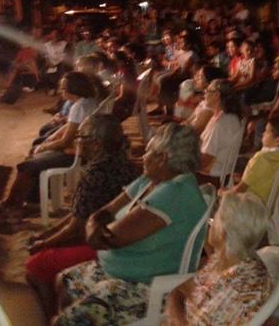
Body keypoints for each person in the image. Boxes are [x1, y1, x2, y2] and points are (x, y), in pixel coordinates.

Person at [53, 123, 208, 325]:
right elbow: (106, 211)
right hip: (117, 272)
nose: (142, 157)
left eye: (148, 152)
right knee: (63, 280)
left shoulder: (174, 194)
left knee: (66, 321)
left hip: (142, 286)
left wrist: (94, 228)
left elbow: (111, 239)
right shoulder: (150, 180)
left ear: (162, 159)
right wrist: (95, 225)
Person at [25, 115, 137, 316]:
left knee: (35, 265)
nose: (77, 141)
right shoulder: (124, 163)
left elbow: (75, 227)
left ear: (95, 143)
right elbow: (78, 214)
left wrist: (44, 243)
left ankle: (50, 317)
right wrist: (48, 234)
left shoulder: (96, 174)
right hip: (116, 235)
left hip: (101, 244)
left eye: (80, 136)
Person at [0, 72, 97, 218]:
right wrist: (50, 139)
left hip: (76, 154)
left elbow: (66, 141)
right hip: (80, 149)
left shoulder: (79, 107)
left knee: (25, 166)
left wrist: (45, 146)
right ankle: (29, 203)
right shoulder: (88, 101)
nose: (61, 91)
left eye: (63, 88)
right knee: (34, 158)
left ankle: (12, 204)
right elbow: (70, 127)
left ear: (72, 89)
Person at [164, 193, 271, 325]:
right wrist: (177, 315)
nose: (210, 225)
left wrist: (176, 314)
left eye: (212, 221)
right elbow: (181, 289)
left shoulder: (239, 287)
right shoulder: (224, 260)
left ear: (223, 233)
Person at [225, 113, 279, 204]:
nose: (263, 133)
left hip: (248, 204)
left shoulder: (261, 158)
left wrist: (224, 193)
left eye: (267, 132)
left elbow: (241, 188)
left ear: (277, 141)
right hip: (263, 204)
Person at [197, 79, 243, 185]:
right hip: (221, 173)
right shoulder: (230, 117)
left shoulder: (220, 124)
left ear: (217, 95)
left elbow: (205, 160)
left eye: (207, 90)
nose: (204, 93)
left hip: (211, 178)